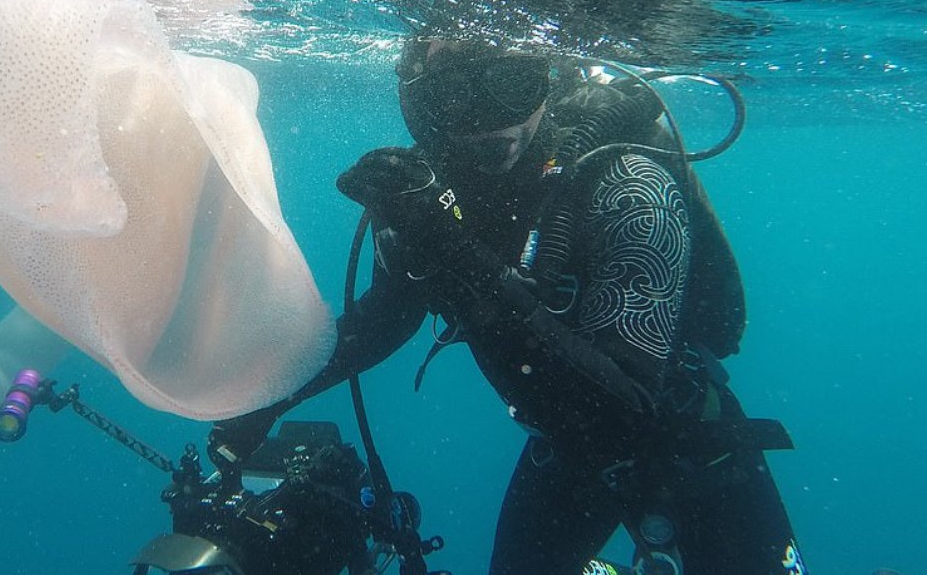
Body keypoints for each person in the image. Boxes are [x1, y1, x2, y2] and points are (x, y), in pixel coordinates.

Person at [209, 37, 808, 574]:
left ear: (546, 82)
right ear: (419, 108)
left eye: (513, 87)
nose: (492, 125)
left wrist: (444, 242)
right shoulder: (427, 191)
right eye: (454, 99)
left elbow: (624, 413)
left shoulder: (627, 184)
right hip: (564, 454)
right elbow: (391, 315)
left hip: (693, 452)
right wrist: (271, 397)